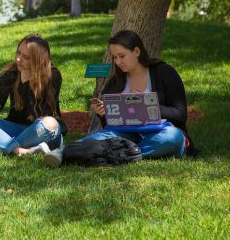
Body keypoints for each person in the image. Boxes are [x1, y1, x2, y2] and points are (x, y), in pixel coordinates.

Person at [83, 30, 197, 158]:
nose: (118, 62)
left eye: (122, 56)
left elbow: (180, 115)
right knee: (87, 142)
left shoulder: (164, 72)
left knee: (172, 137)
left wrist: (148, 106)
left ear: (136, 51)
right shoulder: (115, 83)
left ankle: (120, 153)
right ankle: (129, 152)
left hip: (160, 132)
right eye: (114, 57)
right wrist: (103, 114)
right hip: (126, 134)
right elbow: (110, 126)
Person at [0, 34, 67, 167]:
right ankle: (22, 151)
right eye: (18, 53)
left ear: (38, 60)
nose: (18, 59)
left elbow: (43, 114)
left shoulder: (52, 75)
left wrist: (29, 84)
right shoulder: (10, 74)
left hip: (42, 132)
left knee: (49, 123)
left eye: (26, 57)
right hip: (15, 128)